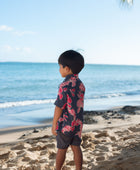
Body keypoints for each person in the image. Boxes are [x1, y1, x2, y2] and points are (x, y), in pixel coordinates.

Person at [52, 50, 85, 170]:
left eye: (60, 67)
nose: (59, 69)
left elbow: (59, 106)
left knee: (62, 148)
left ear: (67, 68)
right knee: (76, 147)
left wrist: (54, 123)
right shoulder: (81, 84)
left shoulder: (64, 85)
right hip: (78, 123)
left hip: (66, 124)